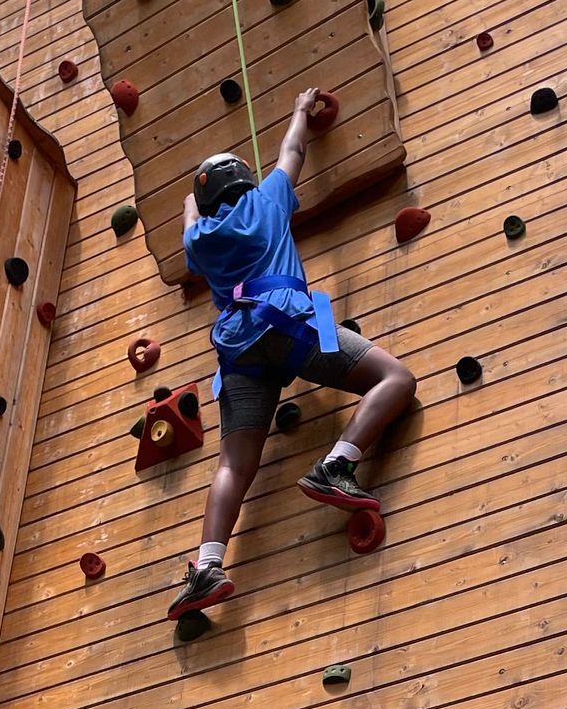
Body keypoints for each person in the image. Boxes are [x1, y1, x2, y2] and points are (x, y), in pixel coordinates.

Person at [167, 87, 417, 620]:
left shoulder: (200, 239)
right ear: (244, 183)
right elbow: (291, 154)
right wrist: (301, 114)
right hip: (290, 324)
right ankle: (336, 465)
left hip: (237, 352)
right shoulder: (266, 201)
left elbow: (189, 225)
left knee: (234, 463)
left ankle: (207, 566)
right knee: (395, 378)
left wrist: (190, 208)